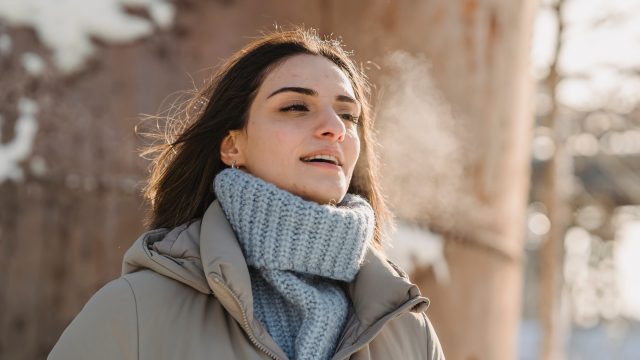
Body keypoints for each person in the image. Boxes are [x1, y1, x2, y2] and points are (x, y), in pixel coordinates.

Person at [48, 27, 445, 360]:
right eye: (295, 107)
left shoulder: (409, 333)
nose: (334, 128)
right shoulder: (135, 313)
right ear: (232, 145)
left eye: (348, 114)